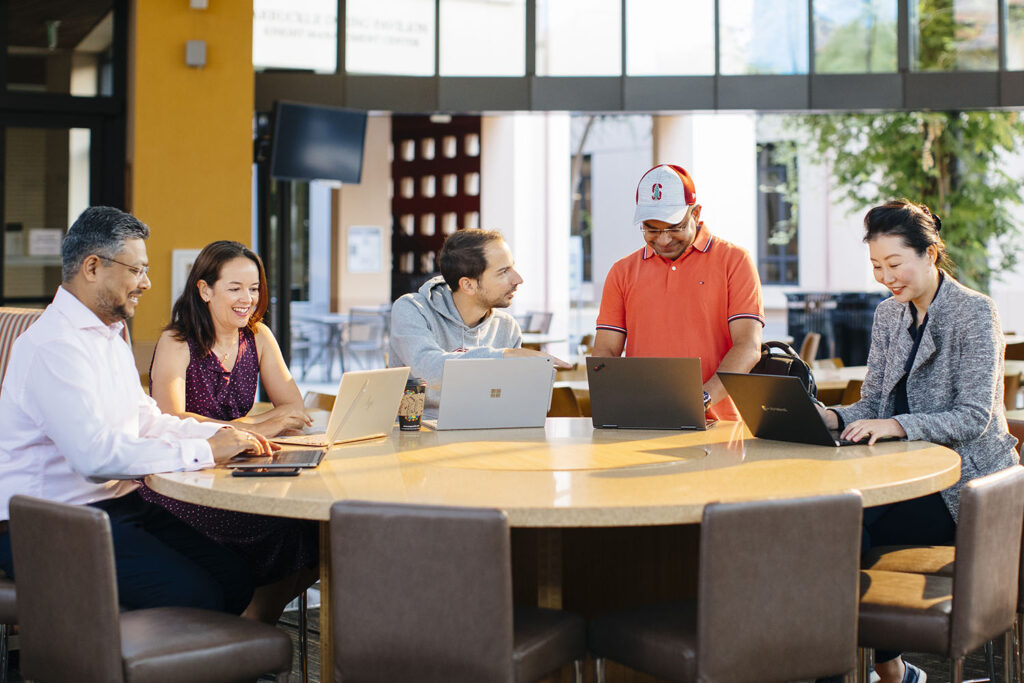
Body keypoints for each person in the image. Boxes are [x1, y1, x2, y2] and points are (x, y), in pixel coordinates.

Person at [0, 207, 271, 614]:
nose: (146, 283)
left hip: (114, 506)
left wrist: (218, 438)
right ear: (92, 267)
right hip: (48, 523)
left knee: (235, 578)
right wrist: (203, 452)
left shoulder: (107, 335)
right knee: (199, 599)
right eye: (137, 270)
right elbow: (94, 456)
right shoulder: (52, 346)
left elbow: (144, 418)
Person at [817, 200, 1019, 683]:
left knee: (843, 530)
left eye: (894, 264)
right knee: (832, 526)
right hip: (903, 477)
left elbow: (972, 417)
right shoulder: (889, 316)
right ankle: (886, 669)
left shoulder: (975, 312)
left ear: (930, 254)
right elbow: (873, 404)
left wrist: (901, 425)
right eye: (876, 267)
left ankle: (875, 669)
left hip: (962, 487)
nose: (885, 277)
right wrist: (829, 416)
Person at [139, 240, 318, 623]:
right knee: (272, 525)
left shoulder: (258, 336)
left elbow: (295, 408)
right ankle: (244, 626)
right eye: (234, 288)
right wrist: (259, 425)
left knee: (313, 530)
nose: (247, 299)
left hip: (240, 472)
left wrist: (245, 432)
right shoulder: (177, 340)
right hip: (181, 479)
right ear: (205, 290)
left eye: (253, 289)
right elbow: (171, 418)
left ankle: (254, 622)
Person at [592, 164, 764, 420]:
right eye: (651, 229)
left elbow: (748, 347)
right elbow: (605, 351)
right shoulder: (622, 271)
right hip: (643, 421)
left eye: (674, 227)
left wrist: (699, 400)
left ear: (696, 214)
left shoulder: (734, 261)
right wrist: (615, 407)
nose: (663, 240)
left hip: (720, 427)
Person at [389, 229, 570, 419]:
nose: (518, 279)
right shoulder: (412, 309)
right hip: (416, 437)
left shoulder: (507, 327)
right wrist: (505, 356)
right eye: (503, 272)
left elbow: (510, 402)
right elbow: (428, 368)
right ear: (468, 285)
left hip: (481, 435)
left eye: (512, 267)